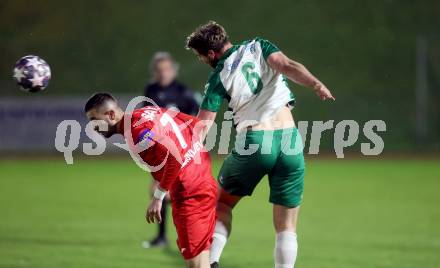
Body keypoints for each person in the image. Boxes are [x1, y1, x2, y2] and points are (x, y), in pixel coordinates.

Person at [185, 21, 335, 268]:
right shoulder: (259, 46)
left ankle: (211, 263)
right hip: (290, 142)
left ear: (211, 53)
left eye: (200, 56)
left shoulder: (218, 76)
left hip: (255, 142)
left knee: (221, 204)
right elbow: (288, 66)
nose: (201, 60)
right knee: (286, 227)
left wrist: (187, 156)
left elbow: (203, 126)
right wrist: (316, 84)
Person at [84, 93, 217, 268]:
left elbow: (174, 158)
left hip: (189, 194)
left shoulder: (136, 132)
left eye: (94, 119)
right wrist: (193, 152)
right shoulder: (147, 111)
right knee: (202, 259)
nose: (92, 127)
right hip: (203, 180)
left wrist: (158, 197)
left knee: (196, 264)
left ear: (110, 115)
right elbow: (193, 123)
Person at [143, 52, 200, 248]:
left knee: (165, 192)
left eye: (166, 69)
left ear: (173, 70)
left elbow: (198, 117)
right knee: (162, 192)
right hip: (159, 148)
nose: (163, 73)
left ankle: (178, 236)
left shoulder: (183, 92)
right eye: (159, 70)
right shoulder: (150, 90)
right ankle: (167, 237)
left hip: (179, 150)